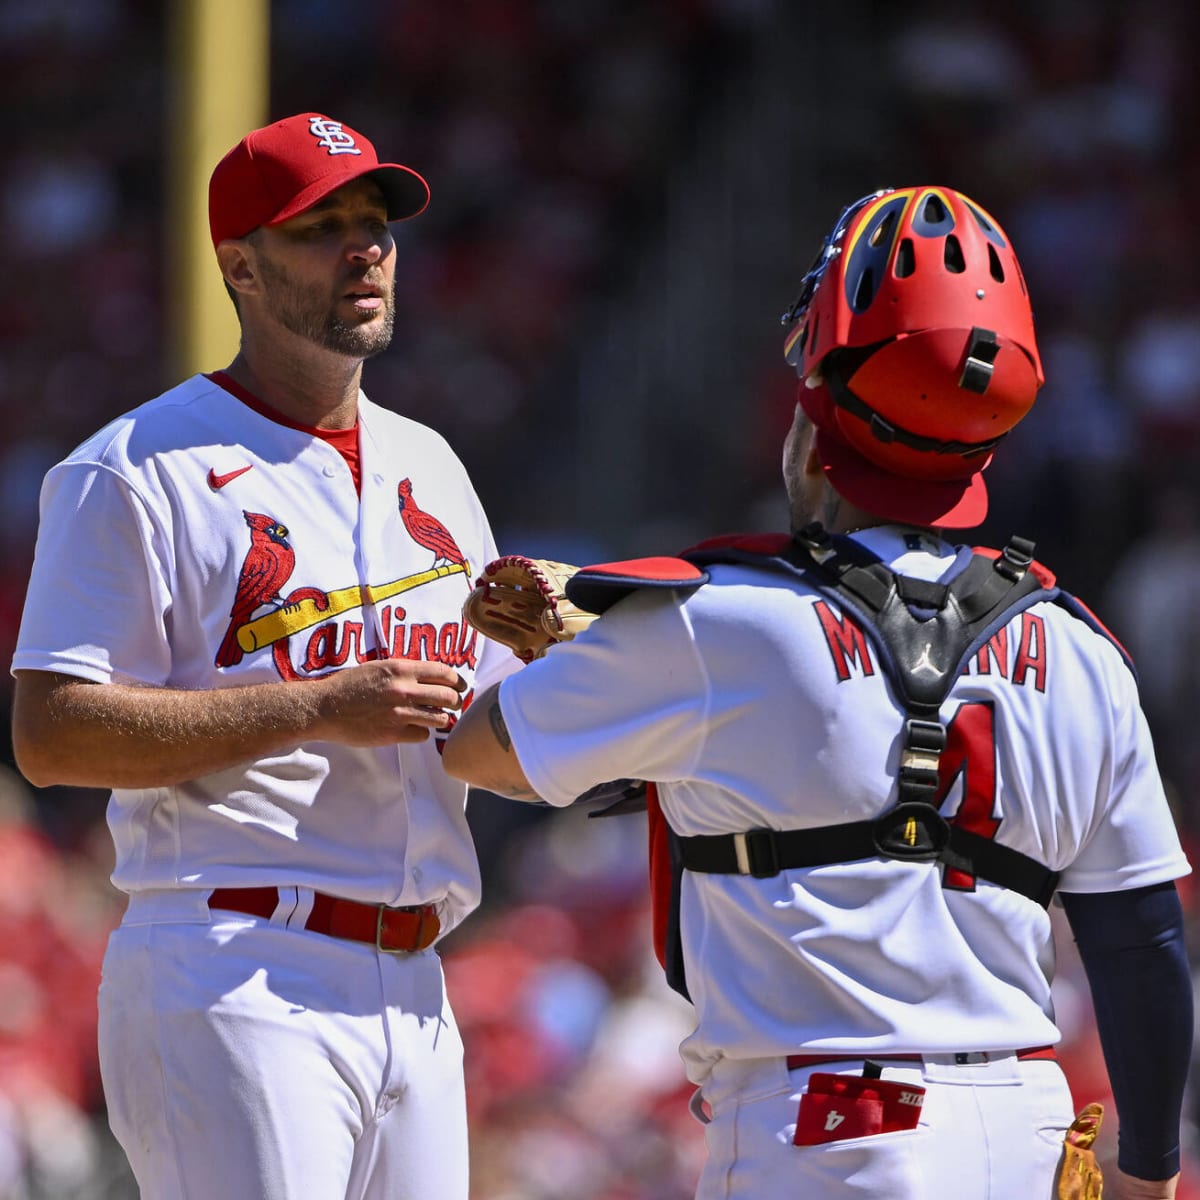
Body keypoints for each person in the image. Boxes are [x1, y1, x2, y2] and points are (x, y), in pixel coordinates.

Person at [442, 186, 1193, 1200]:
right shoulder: (1080, 652)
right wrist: (1146, 1175)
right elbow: (1142, 944)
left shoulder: (718, 622)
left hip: (834, 1135)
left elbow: (482, 753)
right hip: (1029, 1133)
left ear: (822, 394)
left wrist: (582, 665)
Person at [10, 111, 518, 1200]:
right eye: (321, 226)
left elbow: (487, 733)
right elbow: (51, 735)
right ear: (240, 266)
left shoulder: (433, 463)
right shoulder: (135, 468)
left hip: (419, 978)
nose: (364, 247)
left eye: (375, 221)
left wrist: (608, 693)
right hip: (237, 960)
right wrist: (314, 705)